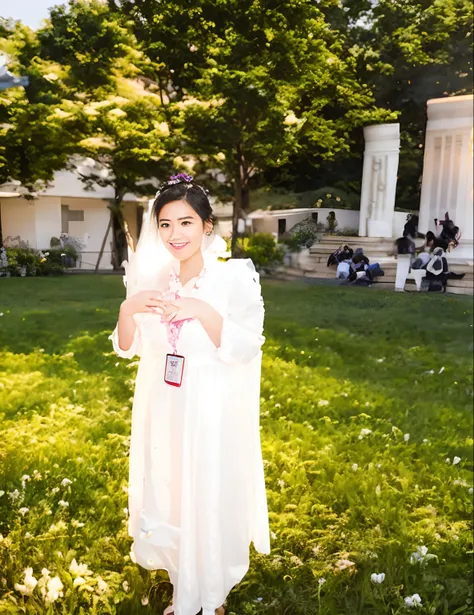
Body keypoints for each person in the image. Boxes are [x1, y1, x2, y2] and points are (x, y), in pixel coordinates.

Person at [109, 174, 270, 615]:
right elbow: (127, 347)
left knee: (206, 493)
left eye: (185, 222)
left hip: (209, 411)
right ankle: (185, 587)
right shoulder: (153, 281)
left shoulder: (232, 279)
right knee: (169, 491)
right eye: (165, 224)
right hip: (164, 409)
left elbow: (245, 345)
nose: (175, 234)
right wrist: (127, 309)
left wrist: (200, 310)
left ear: (206, 226)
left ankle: (211, 595)